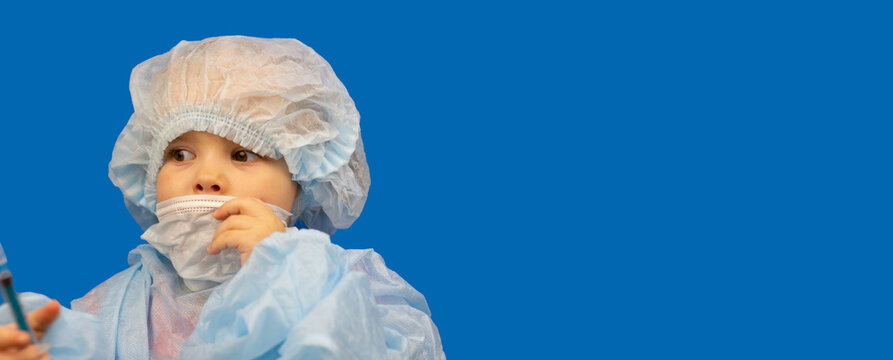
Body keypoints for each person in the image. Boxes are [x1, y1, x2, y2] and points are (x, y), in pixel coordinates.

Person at [0, 36, 444, 360]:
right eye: (180, 154)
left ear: (304, 177)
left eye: (243, 153)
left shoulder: (358, 288)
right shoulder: (109, 312)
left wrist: (289, 271)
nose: (207, 177)